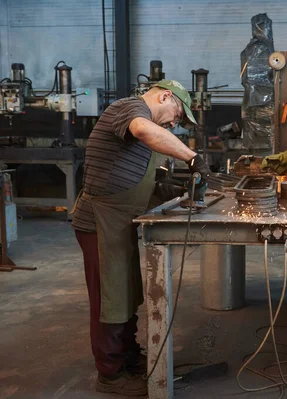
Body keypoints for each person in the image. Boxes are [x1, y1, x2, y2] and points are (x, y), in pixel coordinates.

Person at [71, 80, 210, 395]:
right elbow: (144, 131)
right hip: (99, 224)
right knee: (109, 298)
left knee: (126, 292)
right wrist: (192, 158)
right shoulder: (129, 109)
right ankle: (110, 374)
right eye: (177, 114)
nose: (175, 123)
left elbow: (131, 177)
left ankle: (128, 357)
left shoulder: (143, 123)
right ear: (164, 96)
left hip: (120, 224)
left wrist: (171, 189)